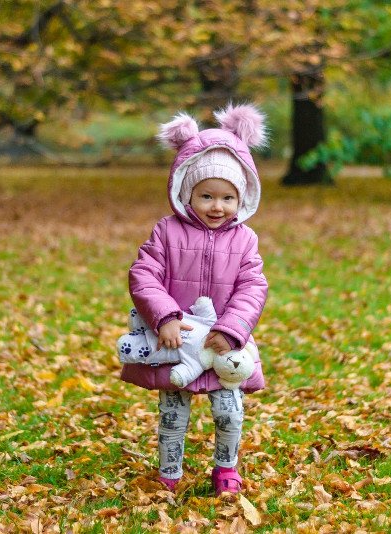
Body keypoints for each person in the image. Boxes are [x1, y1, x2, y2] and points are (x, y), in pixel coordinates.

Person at [120, 103, 269, 496]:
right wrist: (164, 317)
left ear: (242, 198)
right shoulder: (167, 232)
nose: (217, 206)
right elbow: (143, 274)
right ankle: (169, 473)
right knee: (173, 412)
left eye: (227, 198)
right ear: (187, 192)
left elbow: (253, 287)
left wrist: (232, 329)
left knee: (228, 411)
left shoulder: (245, 240)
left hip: (222, 346)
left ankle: (225, 469)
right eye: (206, 196)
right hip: (178, 341)